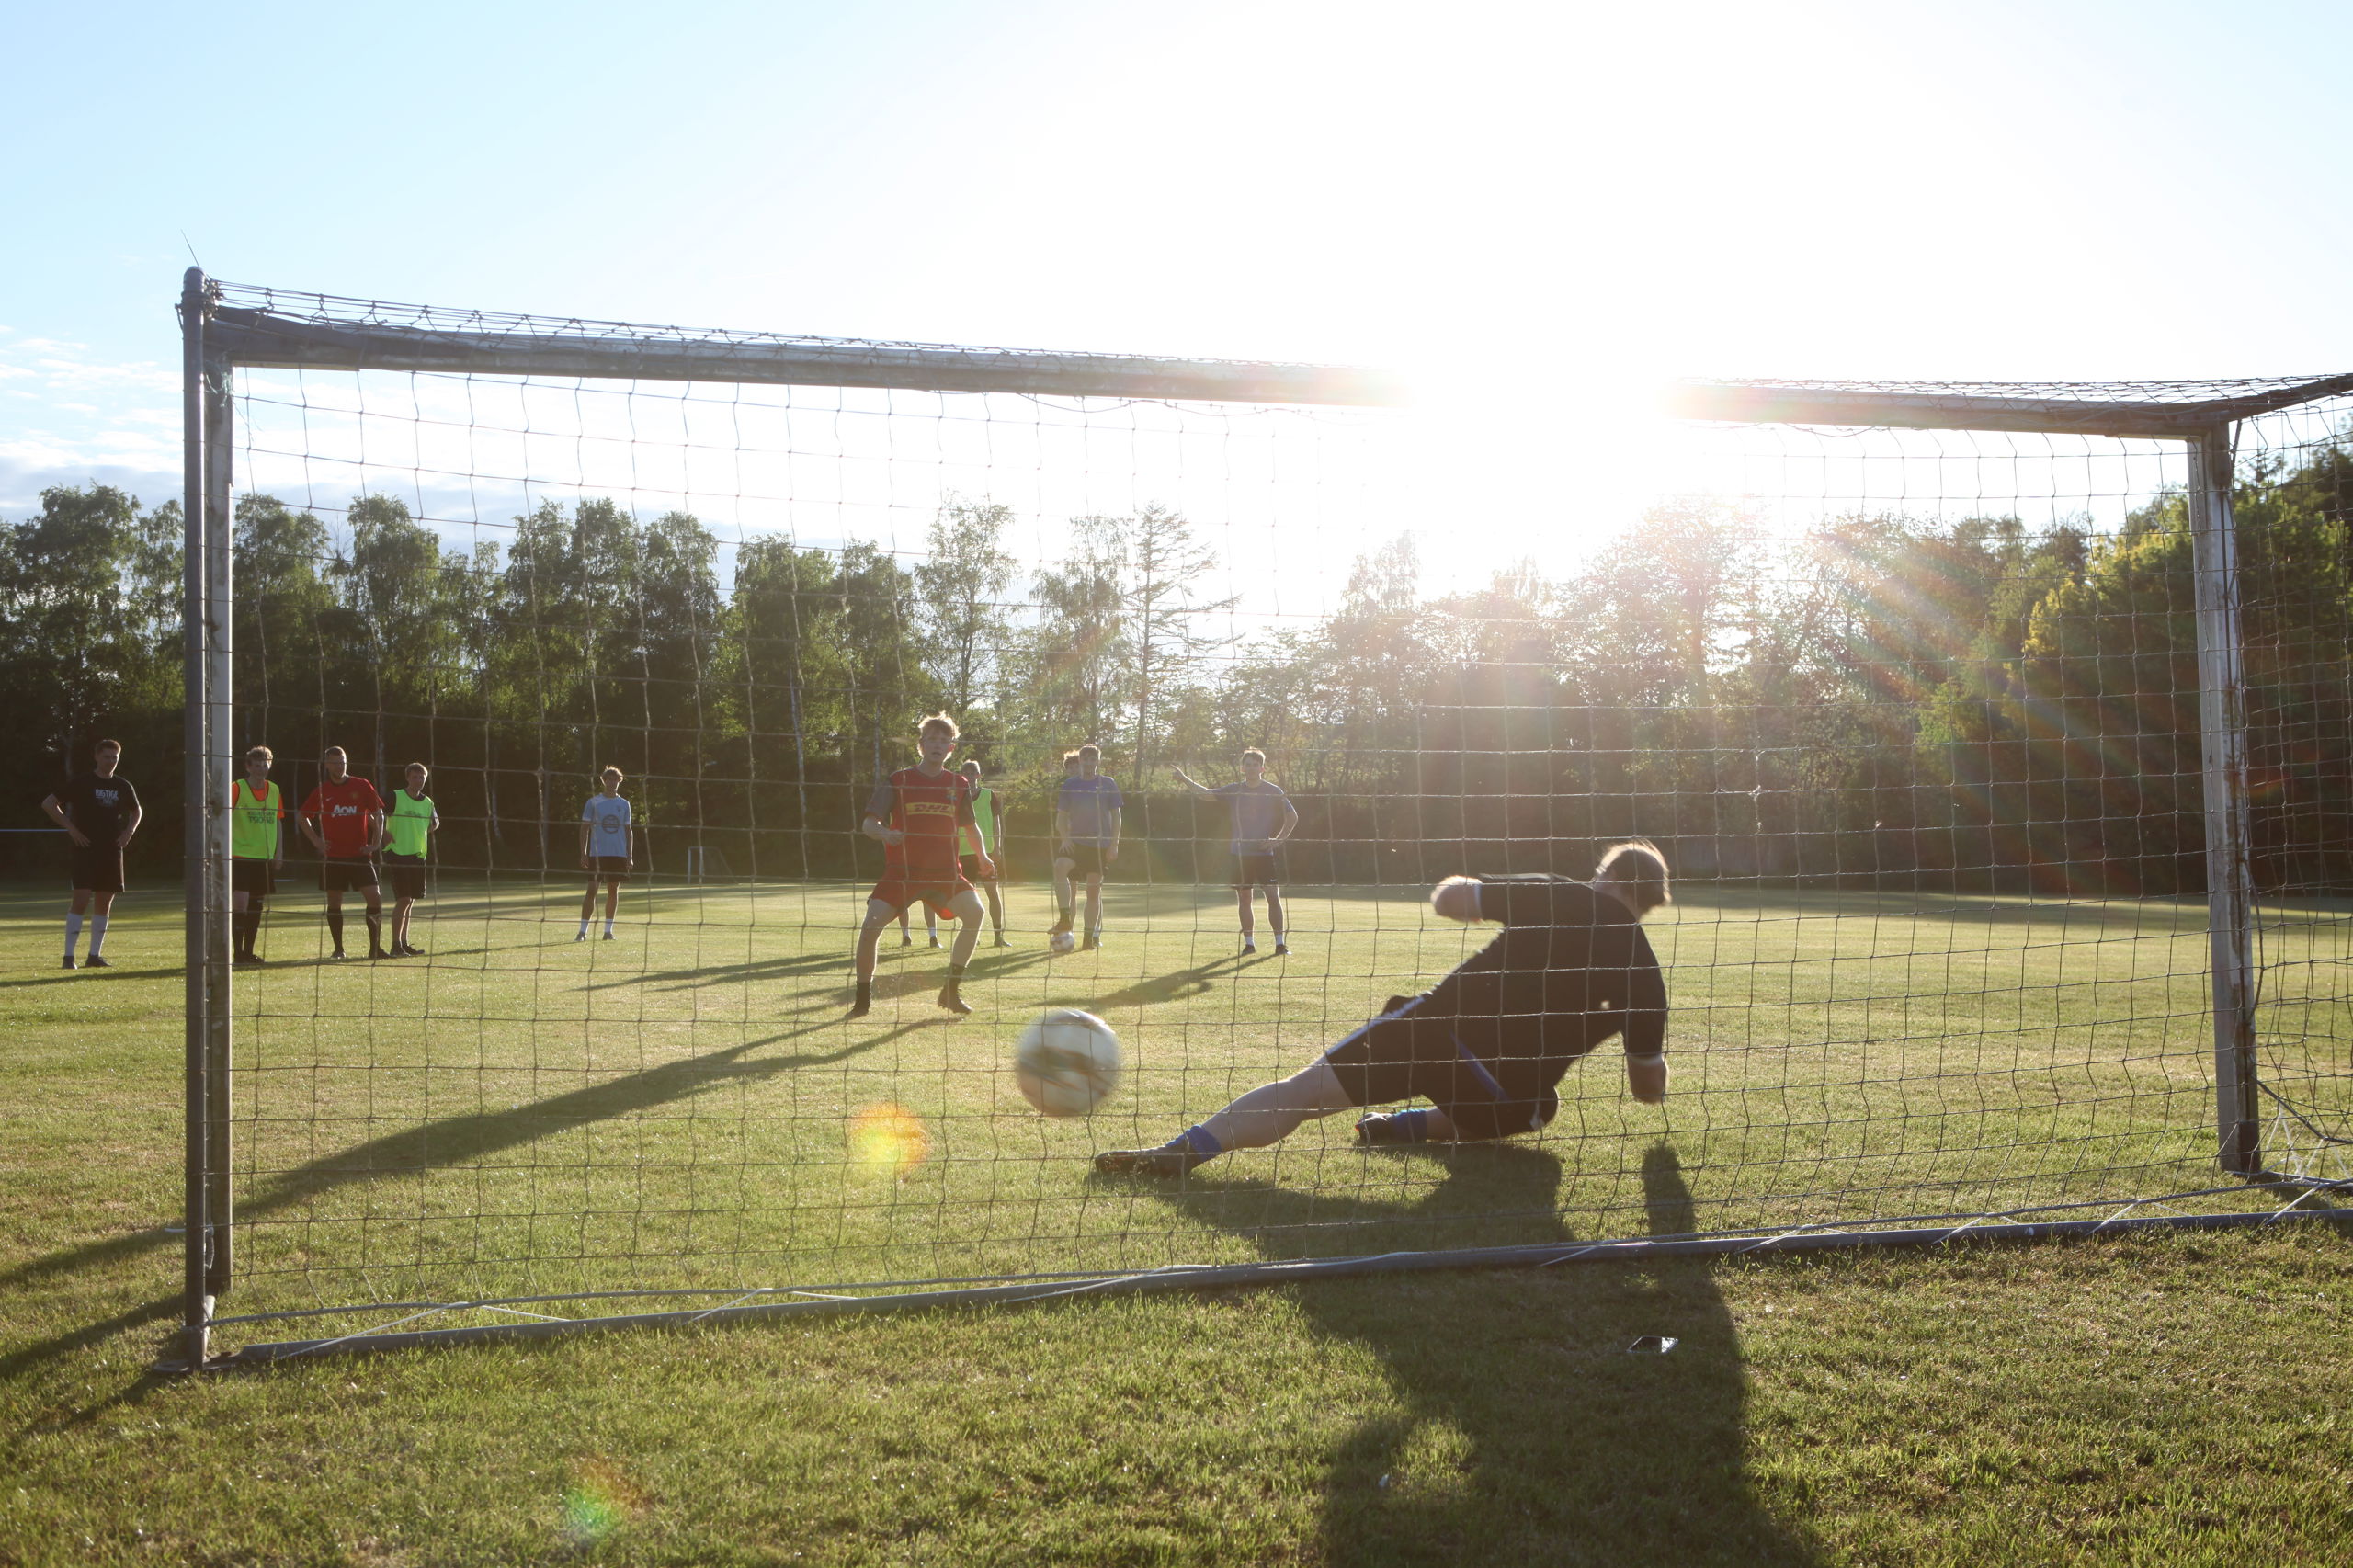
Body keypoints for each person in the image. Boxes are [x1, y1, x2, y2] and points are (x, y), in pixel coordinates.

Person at [1095, 842, 1673, 1178]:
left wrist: (1488, 895)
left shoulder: (1561, 893)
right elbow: (1648, 1086)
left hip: (1432, 1039)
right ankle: (1403, 1128)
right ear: (1649, 902)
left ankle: (1182, 1153)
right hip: (1505, 1102)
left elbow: (1451, 900)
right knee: (1538, 1108)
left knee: (1306, 1094)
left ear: (1606, 875)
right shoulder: (1645, 976)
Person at [849, 713, 994, 1018]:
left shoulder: (958, 783)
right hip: (902, 873)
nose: (938, 745)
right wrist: (885, 832)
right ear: (921, 745)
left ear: (952, 748)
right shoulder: (899, 780)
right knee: (869, 927)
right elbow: (867, 824)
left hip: (945, 874)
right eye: (932, 739)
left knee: (976, 913)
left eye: (944, 741)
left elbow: (971, 827)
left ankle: (950, 991)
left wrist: (982, 857)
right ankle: (862, 1000)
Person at [1173, 747, 1299, 955]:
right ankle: (1249, 944)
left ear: (1262, 768)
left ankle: (1280, 944)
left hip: (1264, 855)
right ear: (1242, 768)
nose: (1251, 768)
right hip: (1239, 854)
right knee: (1244, 899)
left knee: (1273, 897)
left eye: (1255, 764)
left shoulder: (1273, 790)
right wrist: (1185, 778)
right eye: (1247, 764)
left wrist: (1278, 840)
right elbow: (1206, 795)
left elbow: (1292, 816)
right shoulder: (1234, 790)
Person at [40, 739, 142, 971]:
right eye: (106, 756)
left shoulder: (122, 785)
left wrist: (128, 832)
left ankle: (94, 955)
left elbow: (137, 810)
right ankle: (68, 957)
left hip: (111, 849)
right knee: (81, 899)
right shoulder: (83, 782)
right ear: (96, 756)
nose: (111, 762)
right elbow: (49, 803)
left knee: (104, 903)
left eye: (115, 758)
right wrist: (72, 829)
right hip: (85, 848)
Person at [300, 745, 387, 960]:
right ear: (327, 765)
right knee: (334, 903)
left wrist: (375, 843)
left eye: (343, 761)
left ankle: (375, 949)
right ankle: (339, 949)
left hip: (360, 856)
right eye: (336, 762)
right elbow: (302, 816)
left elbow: (379, 813)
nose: (340, 766)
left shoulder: (362, 785)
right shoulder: (322, 790)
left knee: (375, 899)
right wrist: (317, 841)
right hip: (334, 857)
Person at [1051, 744, 1122, 951]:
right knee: (1060, 867)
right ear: (1080, 761)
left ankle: (1089, 938)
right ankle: (1065, 918)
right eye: (1086, 760)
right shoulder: (1070, 784)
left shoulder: (1108, 784)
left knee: (1093, 892)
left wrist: (1114, 844)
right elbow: (1061, 818)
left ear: (1098, 761)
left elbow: (1117, 816)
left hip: (1100, 845)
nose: (1089, 763)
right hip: (1076, 843)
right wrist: (1065, 838)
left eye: (1093, 760)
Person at [230, 745, 283, 965]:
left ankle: (249, 951)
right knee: (240, 903)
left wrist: (279, 852)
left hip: (263, 857)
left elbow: (278, 821)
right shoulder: (236, 788)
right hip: (239, 855)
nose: (262, 769)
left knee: (257, 905)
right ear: (248, 767)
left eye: (266, 764)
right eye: (257, 765)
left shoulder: (275, 790)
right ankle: (236, 952)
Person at [383, 762, 439, 958]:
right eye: (415, 776)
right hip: (397, 853)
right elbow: (375, 813)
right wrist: (383, 833)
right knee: (403, 899)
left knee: (411, 901)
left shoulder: (427, 802)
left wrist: (423, 831)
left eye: (422, 777)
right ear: (408, 778)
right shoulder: (394, 796)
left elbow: (435, 822)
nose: (419, 780)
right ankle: (395, 945)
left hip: (417, 855)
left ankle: (405, 943)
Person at [960, 757, 1012, 947]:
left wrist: (997, 847)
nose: (970, 776)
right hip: (963, 853)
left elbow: (997, 823)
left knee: (993, 893)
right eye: (966, 773)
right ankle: (972, 936)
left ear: (979, 775)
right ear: (961, 776)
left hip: (987, 853)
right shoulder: (956, 796)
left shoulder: (989, 795)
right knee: (966, 897)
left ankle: (998, 936)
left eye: (973, 773)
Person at [577, 767, 632, 941]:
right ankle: (582, 932)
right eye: (609, 779)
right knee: (591, 890)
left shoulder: (624, 804)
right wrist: (583, 852)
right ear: (604, 781)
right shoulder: (593, 802)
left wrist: (629, 855)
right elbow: (584, 829)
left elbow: (628, 831)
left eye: (615, 779)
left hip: (617, 855)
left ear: (619, 781)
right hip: (597, 854)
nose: (612, 782)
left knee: (613, 890)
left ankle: (608, 931)